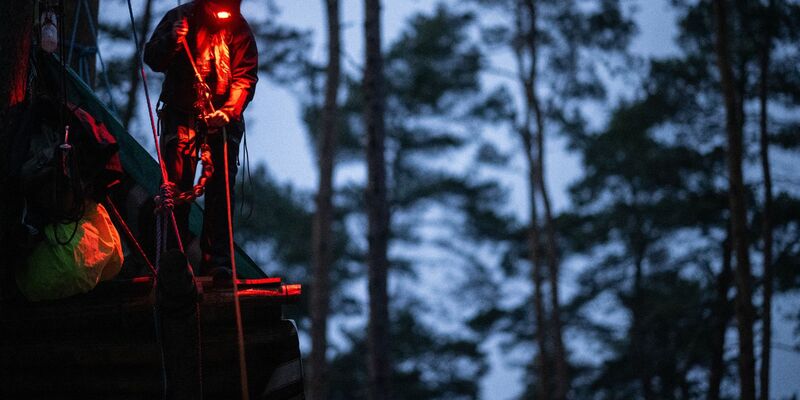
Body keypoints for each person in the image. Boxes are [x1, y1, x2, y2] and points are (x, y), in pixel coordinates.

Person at [144, 0, 257, 276]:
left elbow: (245, 78)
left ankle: (217, 263)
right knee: (176, 189)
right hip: (181, 118)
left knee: (221, 191)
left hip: (222, 125)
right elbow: (153, 58)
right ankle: (172, 259)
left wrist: (229, 111)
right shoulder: (180, 18)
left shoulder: (240, 31)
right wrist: (172, 39)